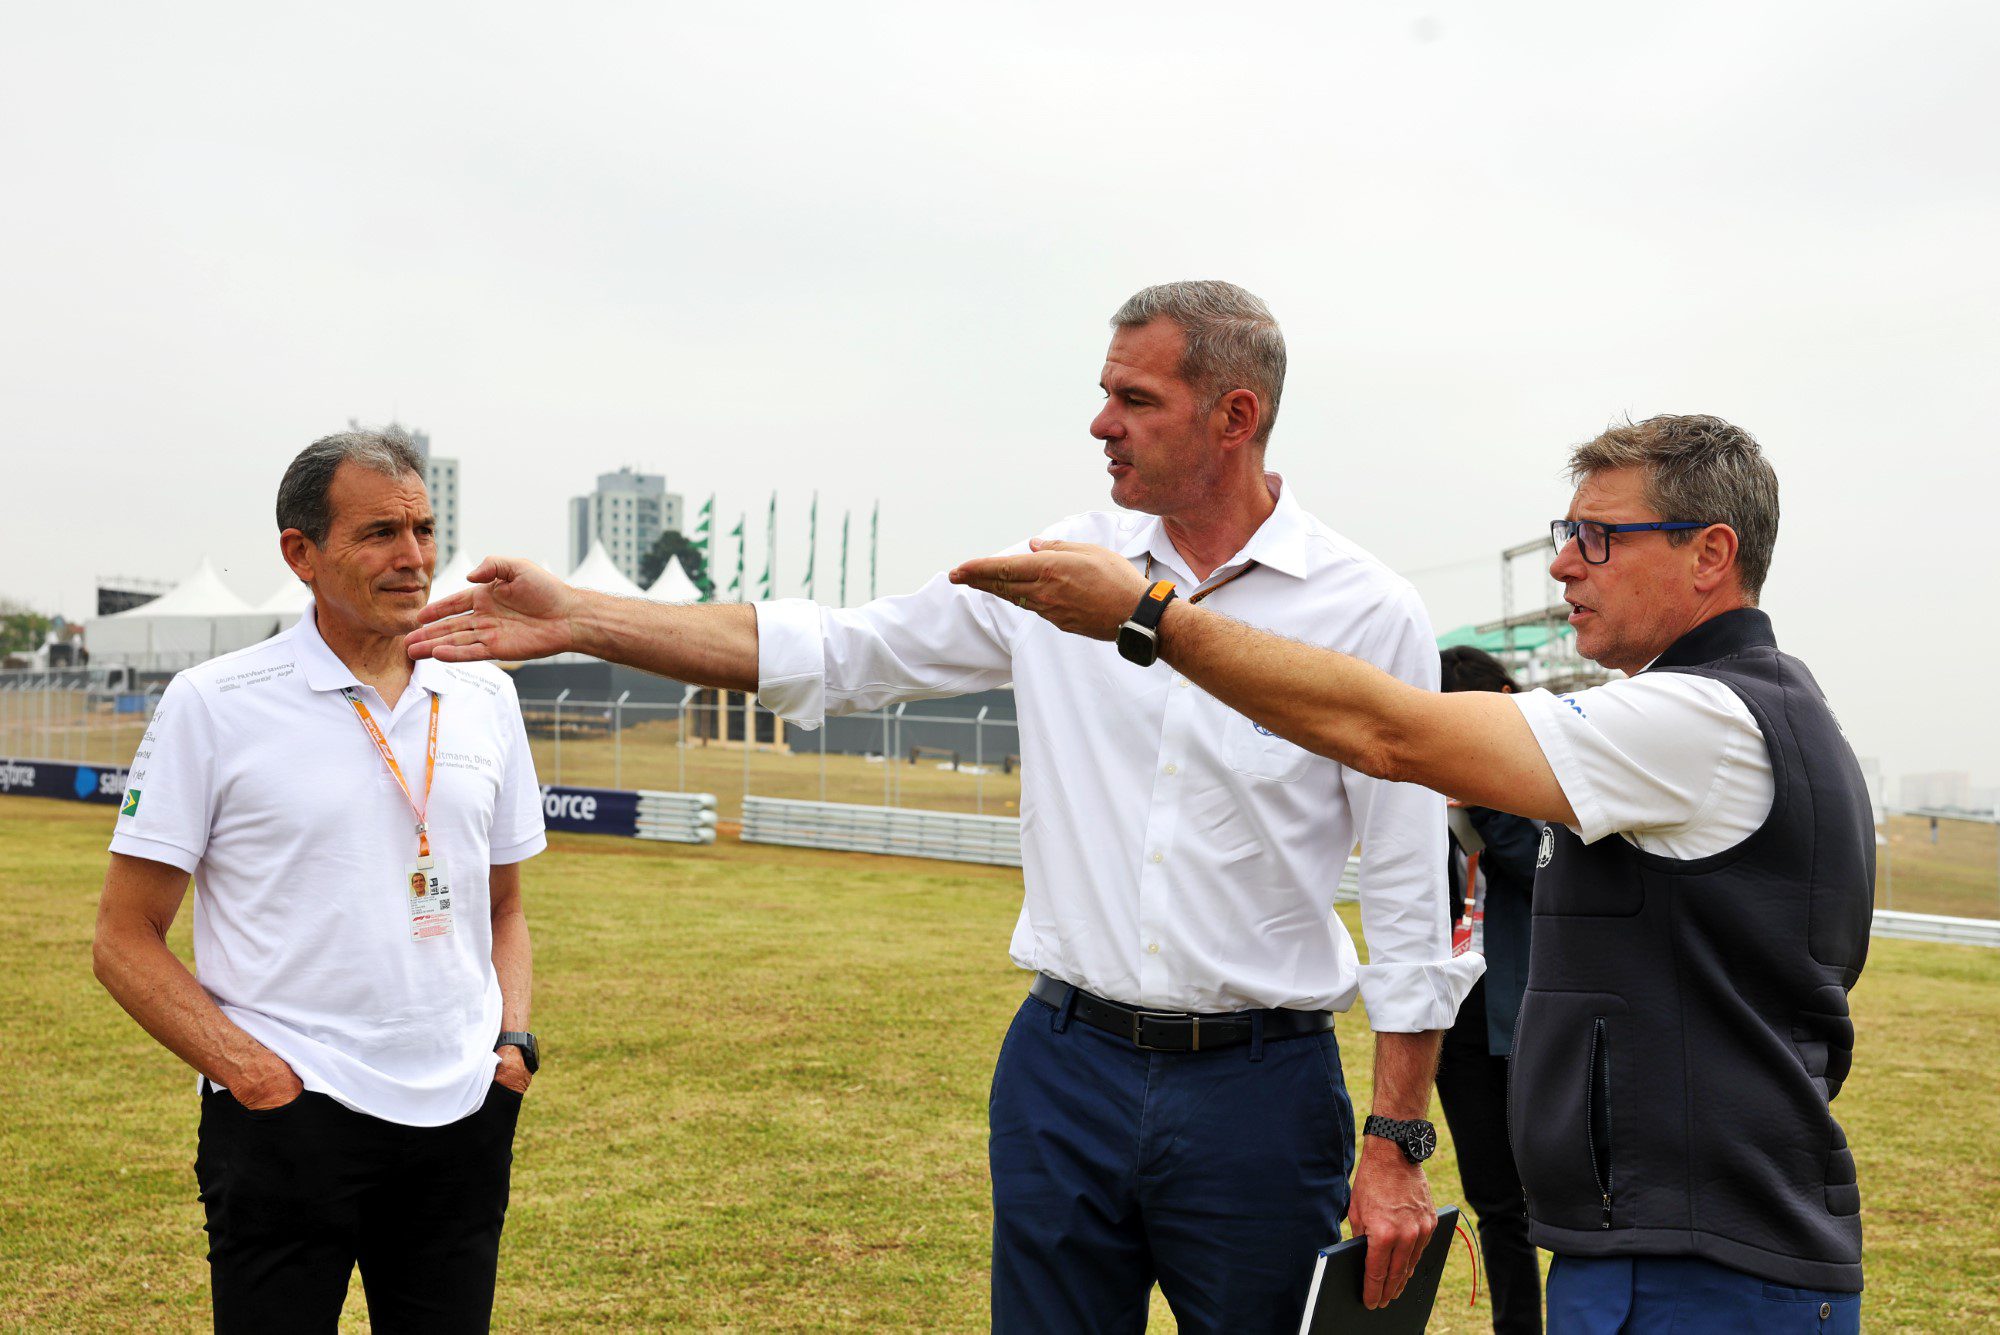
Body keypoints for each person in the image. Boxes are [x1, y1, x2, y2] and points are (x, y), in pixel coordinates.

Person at [409, 281, 1481, 1332]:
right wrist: (584, 617)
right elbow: (835, 653)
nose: (1099, 423)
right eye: (1104, 392)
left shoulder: (1364, 609)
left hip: (1261, 1091)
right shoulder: (1058, 570)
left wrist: (1394, 1142)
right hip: (1065, 1069)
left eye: (1135, 399)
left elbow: (1401, 892)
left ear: (1234, 416)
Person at [953, 413, 1873, 1332]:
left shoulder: (1701, 723)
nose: (1564, 565)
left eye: (1598, 536)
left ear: (1710, 553)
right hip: (1681, 1243)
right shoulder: (1740, 714)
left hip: (1701, 1265)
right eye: (1567, 536)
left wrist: (1150, 615)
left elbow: (1390, 735)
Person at [92, 430, 548, 1334]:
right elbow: (121, 939)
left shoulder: (486, 694)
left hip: (462, 1116)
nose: (412, 557)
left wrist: (514, 1047)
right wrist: (256, 1078)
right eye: (378, 532)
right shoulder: (215, 702)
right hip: (290, 1123)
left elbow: (504, 905)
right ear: (301, 553)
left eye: (422, 527)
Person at [1435, 645, 1542, 1335]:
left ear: (1504, 696)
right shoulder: (1427, 782)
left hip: (1528, 1011)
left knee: (1565, 1206)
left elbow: (1544, 867)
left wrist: (1483, 793)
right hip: (1457, 1011)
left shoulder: (1552, 768)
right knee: (1497, 1203)